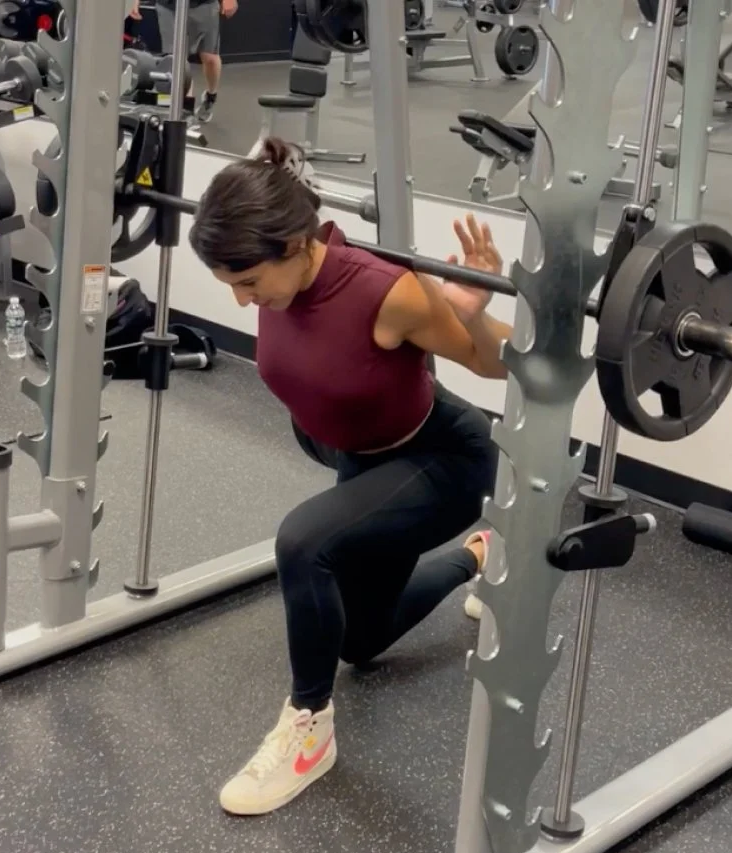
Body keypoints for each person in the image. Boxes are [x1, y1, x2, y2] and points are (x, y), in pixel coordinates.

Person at [188, 138, 512, 816]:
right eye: (231, 287)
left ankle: (308, 731)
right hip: (365, 460)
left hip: (442, 461)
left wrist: (468, 313)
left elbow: (496, 366)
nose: (244, 302)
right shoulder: (282, 286)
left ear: (295, 245)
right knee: (360, 641)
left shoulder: (382, 290)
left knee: (306, 544)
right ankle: (478, 558)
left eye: (248, 282)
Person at [129, 0, 238, 123]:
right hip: (169, 7)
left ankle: (210, 96)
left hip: (204, 5)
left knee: (210, 59)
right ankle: (186, 109)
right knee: (177, 57)